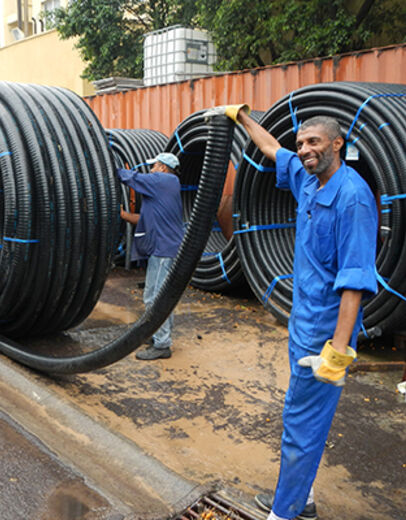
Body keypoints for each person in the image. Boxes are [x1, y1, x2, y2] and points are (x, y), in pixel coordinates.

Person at [204, 105, 377, 519]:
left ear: (338, 144)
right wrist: (241, 116)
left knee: (299, 425)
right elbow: (271, 149)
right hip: (303, 322)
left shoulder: (351, 199)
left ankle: (284, 513)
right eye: (301, 144)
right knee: (301, 418)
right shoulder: (308, 180)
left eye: (314, 142)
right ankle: (305, 497)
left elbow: (355, 281)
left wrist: (336, 353)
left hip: (325, 334)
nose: (304, 150)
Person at [117, 152, 184, 360]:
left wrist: (110, 168)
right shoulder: (164, 189)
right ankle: (155, 333)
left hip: (165, 250)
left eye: (154, 166)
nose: (151, 170)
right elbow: (145, 219)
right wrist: (123, 215)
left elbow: (130, 178)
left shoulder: (163, 180)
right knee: (156, 296)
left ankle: (162, 344)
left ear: (163, 167)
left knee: (157, 298)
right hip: (163, 249)